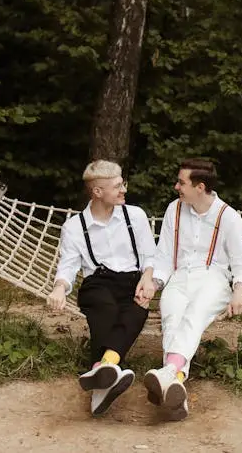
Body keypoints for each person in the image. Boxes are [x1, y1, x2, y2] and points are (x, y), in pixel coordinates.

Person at [140, 158, 242, 420]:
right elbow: (165, 256)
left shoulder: (229, 217)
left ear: (200, 187)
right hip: (179, 277)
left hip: (213, 279)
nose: (176, 186)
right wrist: (153, 283)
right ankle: (175, 380)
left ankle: (168, 372)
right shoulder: (174, 210)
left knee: (194, 316)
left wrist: (239, 292)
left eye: (181, 182)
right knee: (172, 318)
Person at [47, 160, 158, 416]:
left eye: (123, 184)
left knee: (137, 311)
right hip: (97, 282)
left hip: (133, 280)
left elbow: (150, 255)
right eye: (117, 186)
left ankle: (103, 368)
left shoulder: (135, 215)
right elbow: (68, 266)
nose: (124, 190)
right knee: (106, 309)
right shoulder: (74, 227)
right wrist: (59, 288)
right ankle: (109, 367)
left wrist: (148, 278)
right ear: (97, 192)